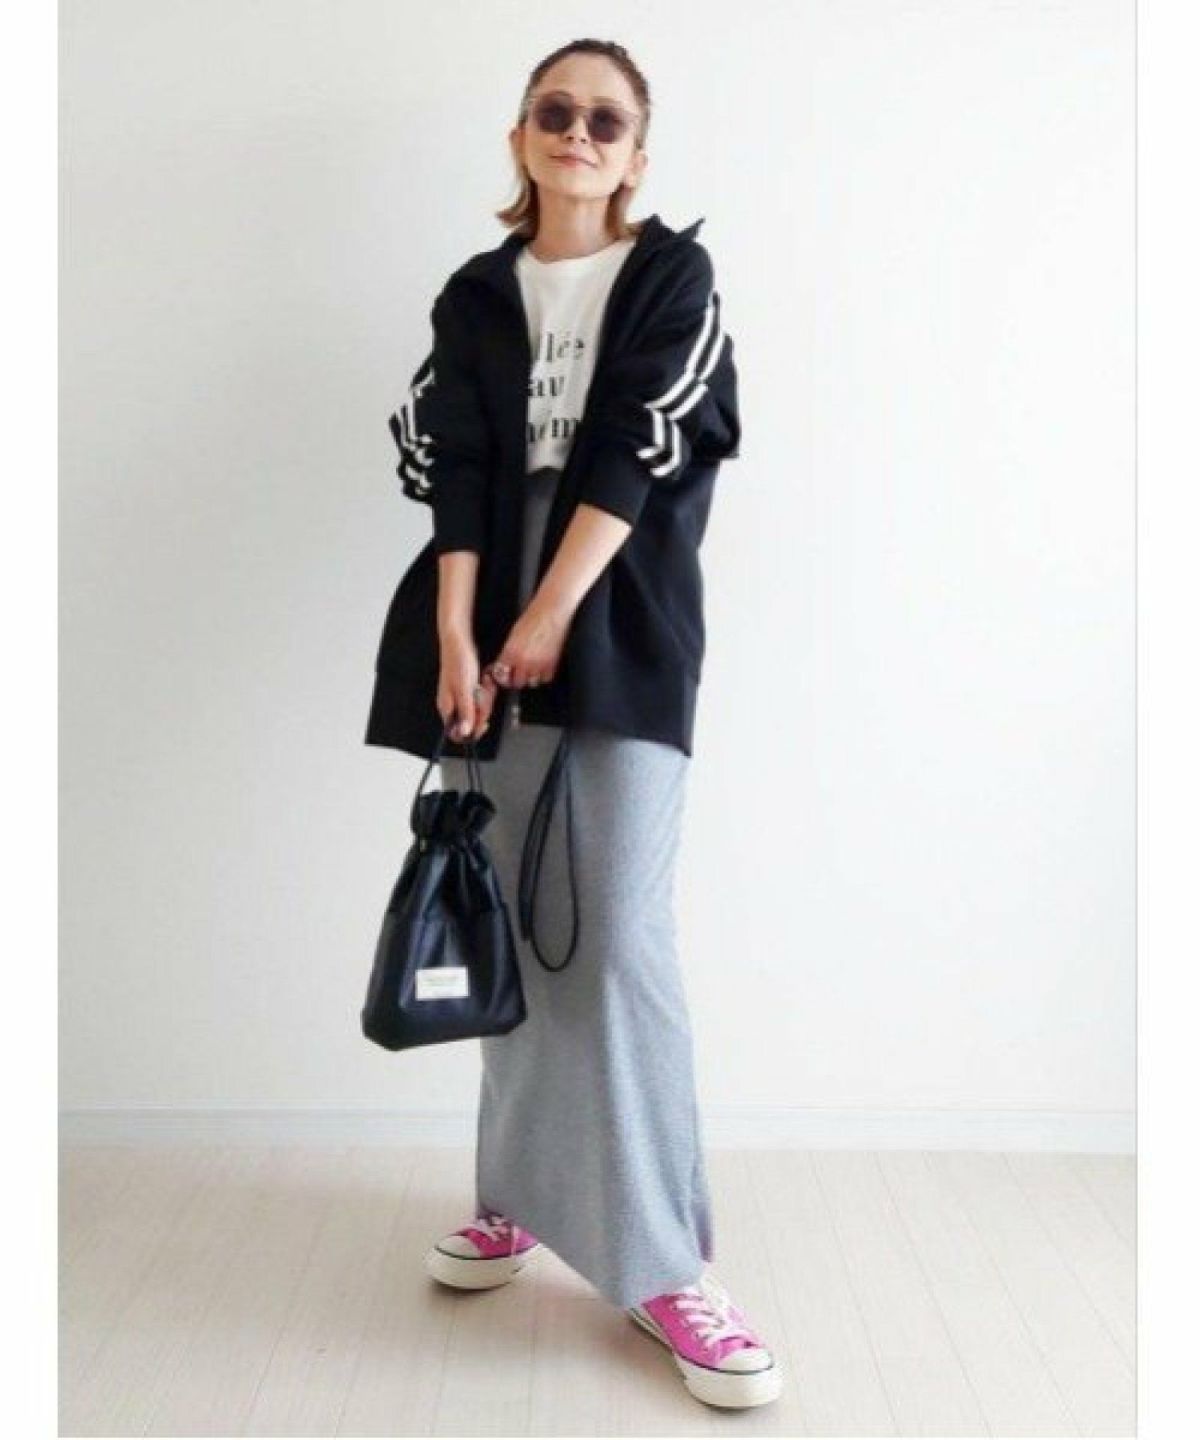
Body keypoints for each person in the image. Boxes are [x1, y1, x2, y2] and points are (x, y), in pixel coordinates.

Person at [365, 39, 782, 1410]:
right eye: (557, 111)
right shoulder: (477, 293)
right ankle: (522, 1194)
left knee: (619, 940)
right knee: (509, 913)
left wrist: (549, 612)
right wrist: (459, 632)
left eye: (608, 119)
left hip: (616, 607)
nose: (580, 133)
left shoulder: (670, 277)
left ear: (638, 153)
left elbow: (638, 445)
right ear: (521, 136)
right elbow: (458, 464)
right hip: (486, 603)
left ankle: (665, 1264)